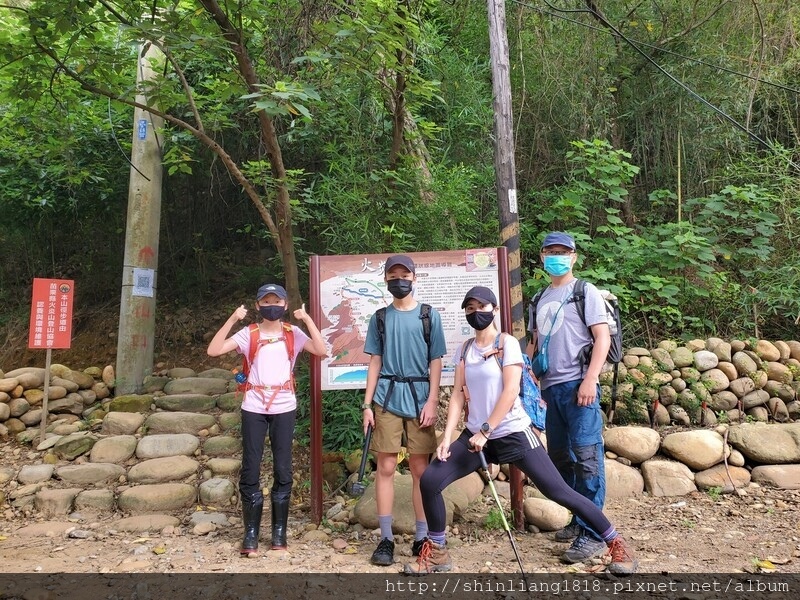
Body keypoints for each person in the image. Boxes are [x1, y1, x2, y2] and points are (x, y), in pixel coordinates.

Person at [404, 286, 637, 575]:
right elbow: (458, 396)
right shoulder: (465, 349)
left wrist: (486, 430)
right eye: (470, 308)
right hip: (475, 435)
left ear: (495, 310)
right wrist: (449, 436)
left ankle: (616, 543)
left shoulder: (507, 343)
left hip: (512, 431)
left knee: (558, 491)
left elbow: (511, 390)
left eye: (482, 306)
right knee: (430, 480)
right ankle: (437, 552)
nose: (477, 312)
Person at [207, 283, 327, 557]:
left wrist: (307, 319)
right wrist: (233, 318)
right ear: (258, 305)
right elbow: (214, 350)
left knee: (283, 469)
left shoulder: (292, 334)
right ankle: (250, 533)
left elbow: (321, 350)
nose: (271, 305)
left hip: (284, 405)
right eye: (266, 301)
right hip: (254, 406)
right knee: (250, 468)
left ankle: (279, 532)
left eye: (277, 301)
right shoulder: (248, 334)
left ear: (285, 305)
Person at [525, 231, 611, 564]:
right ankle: (579, 518)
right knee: (561, 459)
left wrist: (591, 378)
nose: (557, 256)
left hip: (579, 386)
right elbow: (534, 341)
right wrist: (528, 379)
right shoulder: (539, 297)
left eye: (563, 251)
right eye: (551, 251)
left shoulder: (584, 292)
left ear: (574, 256)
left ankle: (594, 534)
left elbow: (601, 337)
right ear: (542, 257)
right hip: (550, 390)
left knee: (587, 457)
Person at [362, 255, 447, 566]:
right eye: (393, 274)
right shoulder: (380, 317)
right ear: (386, 279)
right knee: (384, 468)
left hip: (419, 399)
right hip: (386, 398)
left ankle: (422, 537)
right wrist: (367, 404)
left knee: (420, 472)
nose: (399, 279)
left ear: (414, 277)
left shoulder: (428, 315)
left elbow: (435, 360)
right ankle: (385, 538)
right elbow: (374, 361)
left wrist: (432, 400)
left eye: (404, 273)